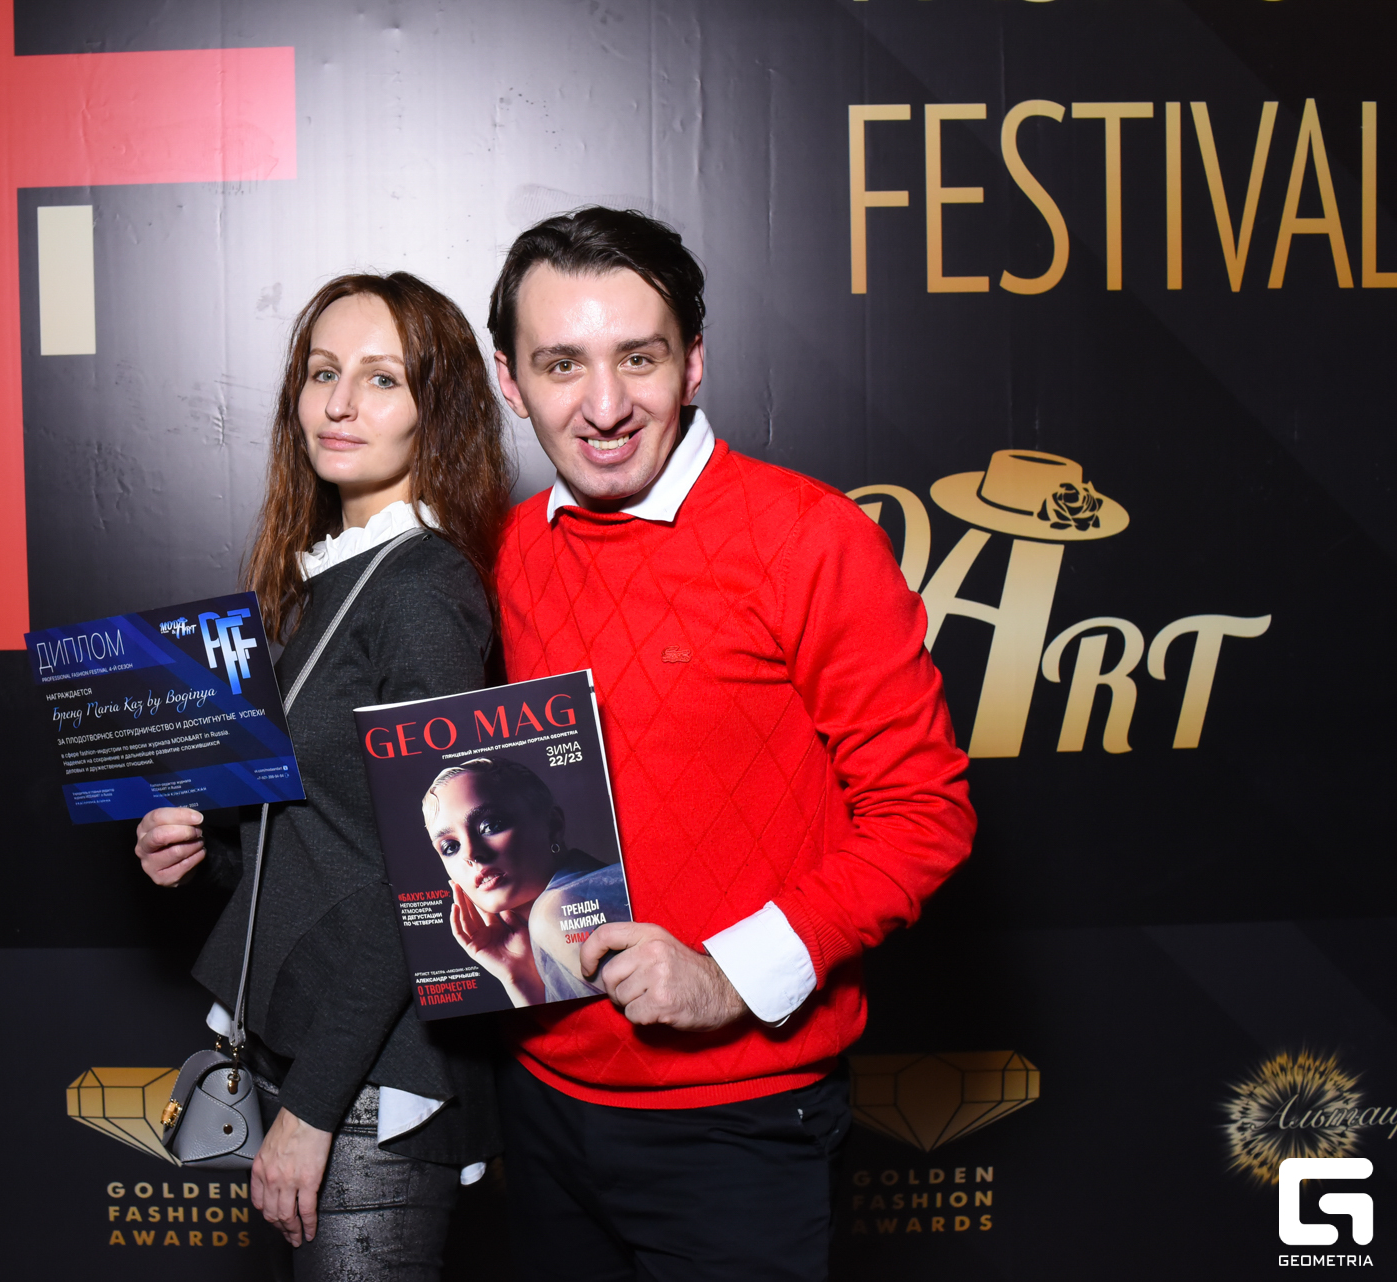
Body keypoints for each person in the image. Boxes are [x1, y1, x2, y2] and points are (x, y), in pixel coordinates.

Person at [485, 207, 976, 1280]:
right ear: (512, 382)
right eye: (562, 364)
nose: (604, 406)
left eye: (640, 358)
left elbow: (924, 815)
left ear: (694, 362)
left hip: (740, 1123)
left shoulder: (811, 539)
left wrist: (728, 977)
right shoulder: (506, 552)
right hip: (540, 1102)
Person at [133, 272, 511, 1281]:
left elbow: (431, 879)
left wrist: (311, 1111)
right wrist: (204, 847)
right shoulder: (330, 577)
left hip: (375, 1084)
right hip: (326, 1052)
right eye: (322, 372)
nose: (339, 403)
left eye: (382, 379)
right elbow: (321, 847)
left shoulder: (420, 591)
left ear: (437, 410)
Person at [422, 756, 627, 1008]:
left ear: (553, 826)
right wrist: (519, 977)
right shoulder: (547, 927)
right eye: (450, 847)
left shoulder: (556, 911)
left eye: (490, 825)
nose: (472, 854)